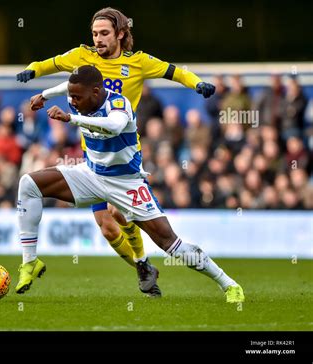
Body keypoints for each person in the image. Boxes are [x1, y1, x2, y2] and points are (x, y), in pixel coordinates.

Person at [16, 7, 216, 296]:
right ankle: (143, 265)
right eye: (95, 33)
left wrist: (197, 83)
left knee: (119, 215)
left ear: (121, 34)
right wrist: (32, 70)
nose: (98, 39)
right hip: (93, 158)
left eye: (104, 33)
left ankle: (144, 262)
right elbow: (53, 64)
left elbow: (175, 72)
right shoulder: (82, 57)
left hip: (122, 155)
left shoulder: (139, 63)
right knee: (108, 228)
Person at [16, 65, 244, 303]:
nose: (72, 101)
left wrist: (70, 118)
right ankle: (30, 261)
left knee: (170, 243)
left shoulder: (118, 104)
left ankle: (229, 284)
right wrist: (44, 95)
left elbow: (113, 125)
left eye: (77, 97)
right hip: (91, 174)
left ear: (96, 92)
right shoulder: (79, 94)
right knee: (29, 184)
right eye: (71, 97)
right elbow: (67, 86)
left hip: (127, 183)